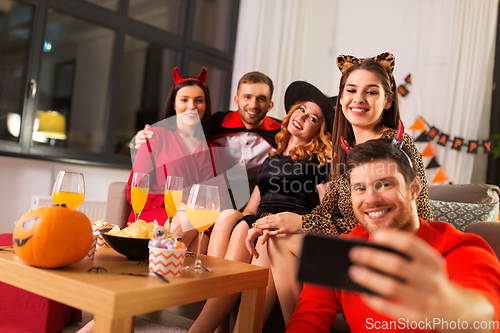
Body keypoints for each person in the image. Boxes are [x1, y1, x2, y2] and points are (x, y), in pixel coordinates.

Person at [248, 52, 434, 324]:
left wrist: (298, 221)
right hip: (353, 253)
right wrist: (277, 221)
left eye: (371, 92)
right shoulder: (347, 152)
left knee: (280, 239)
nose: (358, 99)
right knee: (271, 235)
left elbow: (417, 221)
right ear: (341, 97)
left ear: (388, 101)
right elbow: (328, 215)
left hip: (390, 263)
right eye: (351, 90)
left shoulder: (396, 148)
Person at [286, 138, 500, 333]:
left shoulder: (462, 248)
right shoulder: (341, 251)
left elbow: (486, 315)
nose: (371, 199)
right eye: (360, 188)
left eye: (385, 184)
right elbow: (308, 319)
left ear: (414, 188)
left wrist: (454, 310)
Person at [187, 81, 335, 333]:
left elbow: (326, 212)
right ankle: (218, 326)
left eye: (312, 118)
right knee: (232, 220)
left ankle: (203, 329)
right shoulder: (272, 158)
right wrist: (239, 221)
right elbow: (251, 207)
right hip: (259, 220)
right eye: (300, 109)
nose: (302, 117)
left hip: (287, 224)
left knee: (258, 232)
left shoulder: (320, 162)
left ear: (319, 130)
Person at [127, 67, 226, 252]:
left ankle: (157, 267)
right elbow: (135, 189)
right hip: (155, 212)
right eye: (184, 100)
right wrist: (176, 206)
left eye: (199, 100)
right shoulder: (155, 136)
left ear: (206, 105)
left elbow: (219, 198)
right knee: (190, 225)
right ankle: (155, 260)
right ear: (174, 103)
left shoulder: (214, 150)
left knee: (202, 241)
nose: (192, 106)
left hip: (197, 219)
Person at [135, 71, 281, 194]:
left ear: (270, 105)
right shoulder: (214, 124)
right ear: (237, 101)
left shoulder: (283, 134)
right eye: (247, 97)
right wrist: (142, 137)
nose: (253, 105)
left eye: (261, 99)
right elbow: (182, 132)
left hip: (260, 191)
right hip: (220, 190)